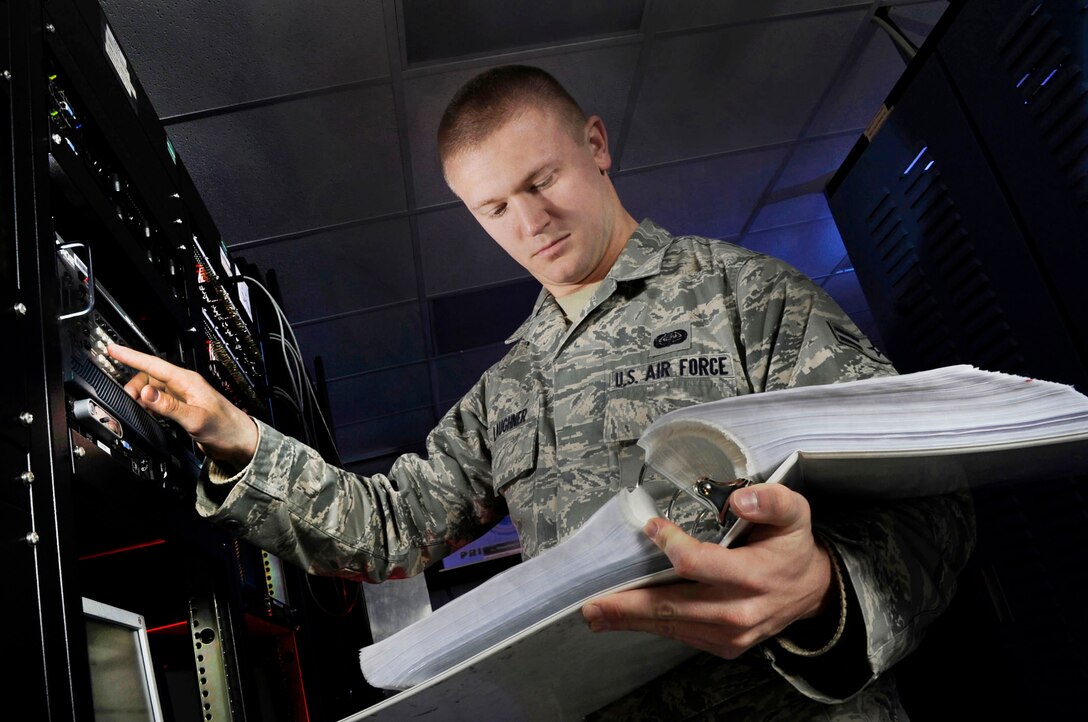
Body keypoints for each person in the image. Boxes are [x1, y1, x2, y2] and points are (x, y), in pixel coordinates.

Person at [108, 65, 974, 719]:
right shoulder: (510, 387)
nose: (529, 226)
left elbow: (933, 500)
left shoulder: (748, 298)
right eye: (492, 208)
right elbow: (388, 526)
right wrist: (237, 440)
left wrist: (825, 586)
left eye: (540, 181)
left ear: (595, 146)